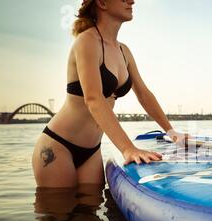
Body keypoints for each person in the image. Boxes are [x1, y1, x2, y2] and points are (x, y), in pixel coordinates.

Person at [32, 0, 187, 188]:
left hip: (91, 151)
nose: (132, 1)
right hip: (58, 146)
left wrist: (171, 132)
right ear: (102, 3)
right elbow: (93, 99)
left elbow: (144, 94)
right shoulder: (87, 41)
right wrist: (128, 149)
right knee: (59, 214)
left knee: (92, 212)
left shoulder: (124, 51)